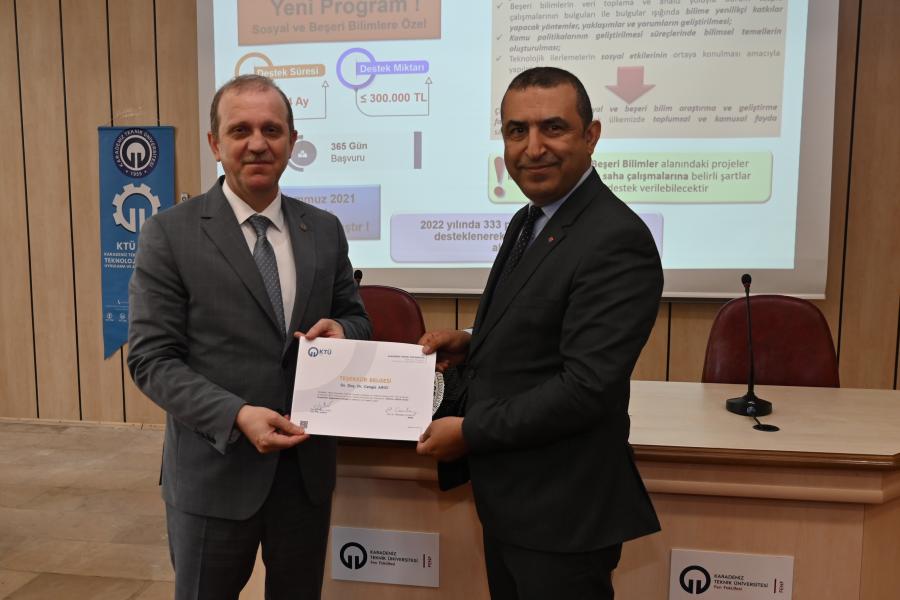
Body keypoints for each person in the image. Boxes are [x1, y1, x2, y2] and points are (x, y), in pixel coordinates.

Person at [416, 67, 663, 599]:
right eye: (516, 131)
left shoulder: (615, 238)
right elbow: (545, 323)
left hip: (563, 512)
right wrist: (473, 341)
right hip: (517, 502)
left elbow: (586, 387)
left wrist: (470, 431)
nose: (533, 148)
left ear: (591, 135)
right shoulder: (531, 219)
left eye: (553, 127)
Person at [128, 74, 370, 599]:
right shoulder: (169, 233)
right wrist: (236, 415)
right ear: (215, 144)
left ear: (292, 141)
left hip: (304, 476)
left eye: (271, 130)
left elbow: (355, 317)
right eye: (240, 130)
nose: (257, 143)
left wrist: (343, 329)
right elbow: (151, 359)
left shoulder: (323, 229)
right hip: (213, 475)